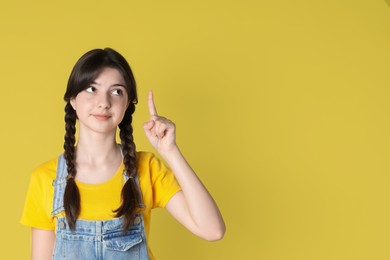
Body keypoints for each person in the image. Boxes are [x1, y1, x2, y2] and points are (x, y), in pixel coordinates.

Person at [20, 48, 225, 260]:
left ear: (127, 105)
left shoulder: (147, 168)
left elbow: (212, 230)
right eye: (92, 89)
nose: (104, 102)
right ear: (73, 99)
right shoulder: (45, 179)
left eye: (116, 91)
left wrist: (170, 151)